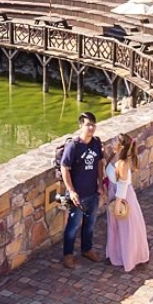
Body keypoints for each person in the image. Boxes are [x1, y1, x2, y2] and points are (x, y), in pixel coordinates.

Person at [59, 111, 106, 269]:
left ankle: (87, 249)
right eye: (88, 124)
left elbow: (99, 163)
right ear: (81, 126)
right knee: (72, 226)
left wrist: (101, 183)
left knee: (90, 224)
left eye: (93, 124)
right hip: (77, 195)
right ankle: (68, 255)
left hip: (93, 192)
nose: (91, 127)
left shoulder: (96, 143)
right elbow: (64, 167)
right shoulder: (74, 145)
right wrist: (71, 191)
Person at [105, 133, 149, 272]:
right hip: (114, 192)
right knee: (116, 227)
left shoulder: (123, 163)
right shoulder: (114, 157)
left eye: (114, 140)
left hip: (122, 196)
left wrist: (118, 204)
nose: (111, 141)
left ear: (120, 146)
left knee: (126, 227)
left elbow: (123, 186)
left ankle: (129, 257)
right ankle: (116, 253)